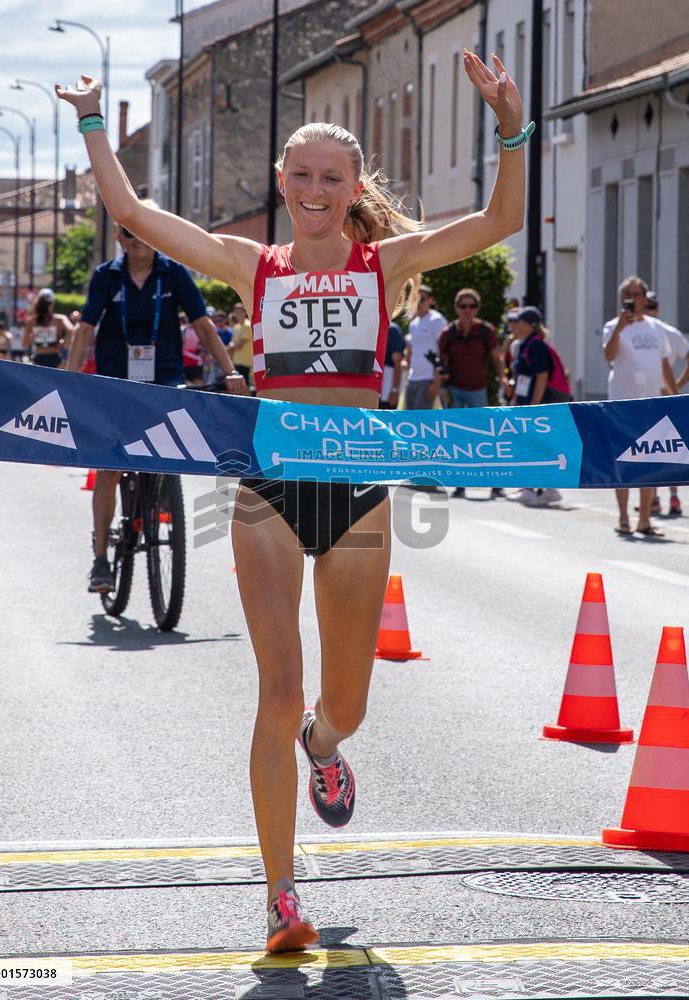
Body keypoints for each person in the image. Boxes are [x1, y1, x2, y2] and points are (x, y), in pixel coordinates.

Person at [57, 50, 527, 952]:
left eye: (330, 178)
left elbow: (502, 218)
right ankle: (280, 897)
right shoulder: (249, 264)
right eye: (300, 175)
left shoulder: (383, 265)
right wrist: (89, 119)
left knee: (341, 704)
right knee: (277, 694)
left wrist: (510, 124)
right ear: (282, 183)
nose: (313, 189)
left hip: (353, 488)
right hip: (267, 485)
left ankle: (325, 744)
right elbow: (131, 212)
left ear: (353, 189)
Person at [65, 207, 247, 593]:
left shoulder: (173, 273)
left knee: (167, 454)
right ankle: (100, 558)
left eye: (145, 233)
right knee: (109, 469)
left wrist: (229, 370)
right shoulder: (106, 277)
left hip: (164, 377)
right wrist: (67, 381)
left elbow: (202, 324)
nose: (139, 241)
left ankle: (161, 501)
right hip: (116, 380)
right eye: (130, 235)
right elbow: (84, 331)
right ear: (120, 239)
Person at [603, 276, 677, 536]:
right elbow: (609, 356)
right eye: (627, 294)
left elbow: (664, 364)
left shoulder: (657, 328)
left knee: (650, 462)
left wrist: (673, 395)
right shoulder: (613, 326)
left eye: (637, 294)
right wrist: (620, 328)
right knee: (622, 462)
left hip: (651, 404)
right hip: (622, 404)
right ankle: (623, 517)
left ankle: (644, 519)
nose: (633, 298)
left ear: (646, 299)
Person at [439, 287, 506, 499]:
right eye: (463, 306)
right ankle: (461, 484)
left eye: (472, 306)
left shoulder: (486, 331)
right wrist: (442, 380)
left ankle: (495, 483)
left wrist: (503, 377)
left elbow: (496, 358)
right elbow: (442, 362)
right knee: (458, 439)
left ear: (477, 308)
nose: (468, 310)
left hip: (479, 389)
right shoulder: (448, 334)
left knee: (484, 436)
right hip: (456, 390)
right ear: (456, 308)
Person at [510, 306, 563, 507]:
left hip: (537, 406)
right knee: (532, 446)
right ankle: (537, 488)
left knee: (535, 446)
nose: (515, 325)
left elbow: (542, 377)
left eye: (519, 321)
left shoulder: (535, 346)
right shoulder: (524, 345)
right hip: (529, 404)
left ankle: (541, 489)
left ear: (530, 325)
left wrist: (533, 408)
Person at [644, 291, 689, 516]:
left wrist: (677, 385)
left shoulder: (667, 333)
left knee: (670, 448)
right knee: (648, 449)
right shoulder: (637, 331)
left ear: (657, 309)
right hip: (644, 397)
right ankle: (652, 498)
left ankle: (673, 496)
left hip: (664, 396)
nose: (648, 310)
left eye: (652, 306)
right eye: (645, 306)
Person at [404, 284, 447, 409]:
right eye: (414, 299)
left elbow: (443, 352)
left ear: (430, 300)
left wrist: (436, 383)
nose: (417, 302)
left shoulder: (437, 320)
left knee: (422, 423)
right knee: (410, 422)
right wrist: (405, 361)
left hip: (428, 379)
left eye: (421, 298)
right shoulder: (413, 324)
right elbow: (412, 351)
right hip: (412, 378)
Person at [23, 288, 74, 368]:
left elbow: (25, 344)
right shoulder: (60, 319)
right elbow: (71, 330)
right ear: (52, 303)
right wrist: (64, 345)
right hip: (55, 359)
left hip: (38, 359)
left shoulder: (31, 320)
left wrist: (34, 336)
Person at [380, 321, 405, 408]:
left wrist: (394, 390)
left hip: (389, 385)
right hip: (381, 386)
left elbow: (398, 362)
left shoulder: (392, 330)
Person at [232, 302, 254, 387]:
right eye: (236, 312)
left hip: (246, 363)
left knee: (245, 388)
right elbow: (234, 344)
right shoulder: (236, 327)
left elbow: (239, 346)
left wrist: (225, 349)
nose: (237, 314)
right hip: (237, 361)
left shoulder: (248, 325)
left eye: (239, 312)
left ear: (244, 312)